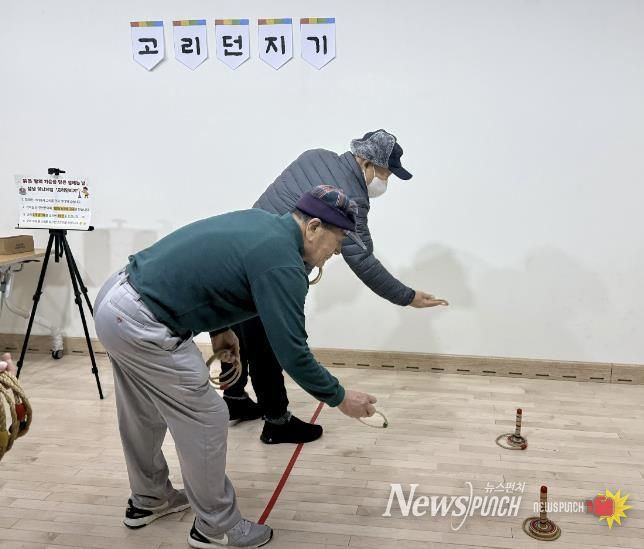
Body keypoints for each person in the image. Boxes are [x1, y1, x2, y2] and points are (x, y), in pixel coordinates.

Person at [93, 185, 377, 548]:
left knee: (142, 410)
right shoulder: (283, 263)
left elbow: (212, 268)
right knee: (207, 417)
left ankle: (150, 499)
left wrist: (221, 330)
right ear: (314, 227)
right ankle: (216, 527)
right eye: (338, 241)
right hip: (142, 321)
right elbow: (292, 352)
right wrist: (339, 397)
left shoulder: (262, 224)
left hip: (117, 299)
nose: (336, 252)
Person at [221, 129, 448, 444]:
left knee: (239, 326)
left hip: (242, 245)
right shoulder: (349, 197)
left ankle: (234, 399)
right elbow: (362, 260)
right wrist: (407, 297)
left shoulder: (315, 155)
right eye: (386, 174)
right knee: (269, 342)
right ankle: (277, 422)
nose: (386, 182)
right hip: (273, 265)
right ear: (366, 163)